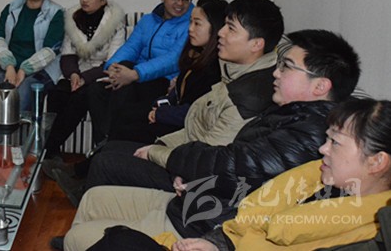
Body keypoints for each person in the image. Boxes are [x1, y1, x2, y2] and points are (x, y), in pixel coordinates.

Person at [57, 29, 361, 251]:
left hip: (198, 223)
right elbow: (241, 168)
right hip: (192, 201)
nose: (276, 73)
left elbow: (234, 165)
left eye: (287, 67)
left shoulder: (310, 133)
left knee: (77, 237)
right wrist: (195, 177)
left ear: (320, 86)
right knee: (93, 199)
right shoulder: (289, 113)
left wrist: (182, 163)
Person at [51, 0, 283, 207]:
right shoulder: (233, 71)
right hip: (186, 152)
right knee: (112, 138)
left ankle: (89, 208)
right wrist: (161, 144)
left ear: (256, 44)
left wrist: (157, 151)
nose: (221, 33)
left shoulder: (246, 94)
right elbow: (195, 128)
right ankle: (84, 193)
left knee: (108, 159)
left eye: (230, 28)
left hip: (191, 178)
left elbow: (209, 158)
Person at [83, 97, 391, 251]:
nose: (323, 149)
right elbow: (250, 221)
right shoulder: (318, 181)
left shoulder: (367, 231)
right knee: (118, 239)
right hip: (216, 234)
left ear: (377, 161)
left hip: (197, 217)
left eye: (335, 142)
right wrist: (216, 243)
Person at [85, 0, 197, 147]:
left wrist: (135, 74)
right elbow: (131, 47)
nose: (180, 4)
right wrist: (112, 67)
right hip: (136, 76)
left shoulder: (191, 24)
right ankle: (103, 142)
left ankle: (110, 143)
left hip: (163, 80)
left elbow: (173, 59)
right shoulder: (148, 21)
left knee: (125, 90)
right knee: (96, 90)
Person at [44, 0, 127, 158]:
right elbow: (67, 54)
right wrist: (74, 74)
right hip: (76, 71)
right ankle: (53, 151)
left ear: (103, 1)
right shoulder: (73, 18)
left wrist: (84, 78)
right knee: (56, 94)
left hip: (100, 75)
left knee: (80, 99)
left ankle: (47, 149)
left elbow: (112, 62)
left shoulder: (115, 24)